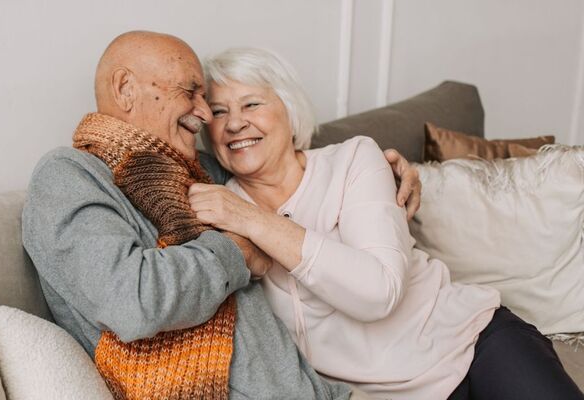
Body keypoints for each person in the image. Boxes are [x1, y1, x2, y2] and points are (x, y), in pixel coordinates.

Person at [22, 31, 419, 400]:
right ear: (125, 89)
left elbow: (286, 167)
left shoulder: (202, 172)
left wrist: (390, 173)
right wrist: (239, 252)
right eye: (192, 93)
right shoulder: (69, 175)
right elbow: (133, 301)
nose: (206, 116)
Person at [189, 46, 584, 400]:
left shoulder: (353, 160)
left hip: (474, 344)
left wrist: (256, 222)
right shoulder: (217, 203)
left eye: (252, 104)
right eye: (219, 111)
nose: (235, 123)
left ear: (290, 112)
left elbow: (378, 292)